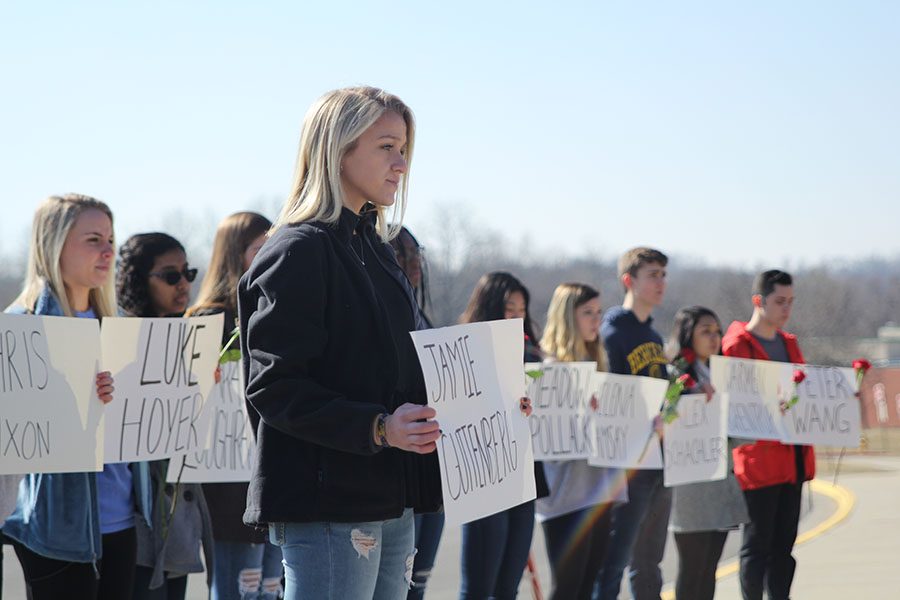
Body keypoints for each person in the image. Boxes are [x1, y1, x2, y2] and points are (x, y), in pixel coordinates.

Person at [238, 86, 445, 600]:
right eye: (386, 147)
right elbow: (275, 386)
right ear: (337, 148)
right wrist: (376, 427)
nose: (401, 164)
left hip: (391, 496)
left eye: (404, 151)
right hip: (327, 503)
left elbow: (403, 369)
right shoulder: (298, 250)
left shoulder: (376, 250)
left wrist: (494, 401)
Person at [2, 194, 152, 600]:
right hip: (56, 528)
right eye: (93, 240)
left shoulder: (120, 326)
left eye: (110, 239)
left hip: (121, 520)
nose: (108, 251)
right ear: (54, 245)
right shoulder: (21, 328)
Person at [186, 211, 285, 600]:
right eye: (259, 248)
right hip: (228, 480)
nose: (268, 256)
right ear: (232, 255)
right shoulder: (206, 318)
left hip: (271, 468)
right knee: (236, 585)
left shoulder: (274, 308)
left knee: (272, 585)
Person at [117, 232, 215, 600]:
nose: (184, 284)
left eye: (188, 272)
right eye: (170, 276)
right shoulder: (117, 340)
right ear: (139, 280)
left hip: (179, 523)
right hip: (133, 524)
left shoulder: (194, 341)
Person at [457, 271, 549, 600]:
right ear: (489, 307)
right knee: (479, 588)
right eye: (510, 308)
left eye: (522, 310)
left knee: (508, 585)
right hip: (486, 478)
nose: (517, 317)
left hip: (523, 478)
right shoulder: (466, 351)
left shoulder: (535, 355)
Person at [722, 270, 813, 600]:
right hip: (757, 464)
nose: (786, 309)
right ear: (758, 301)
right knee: (756, 545)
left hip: (792, 461)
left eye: (790, 301)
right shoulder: (736, 346)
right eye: (779, 301)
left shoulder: (789, 344)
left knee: (784, 548)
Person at [536, 283, 627, 600]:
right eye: (587, 313)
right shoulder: (548, 372)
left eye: (599, 313)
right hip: (564, 498)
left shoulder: (599, 365)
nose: (595, 320)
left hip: (599, 493)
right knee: (567, 589)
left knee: (589, 587)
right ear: (566, 317)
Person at [595, 247, 672, 600]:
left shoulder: (655, 338)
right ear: (629, 280)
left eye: (663, 274)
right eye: (653, 274)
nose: (661, 282)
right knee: (613, 561)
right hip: (628, 466)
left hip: (660, 462)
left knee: (650, 561)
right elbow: (611, 401)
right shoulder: (612, 335)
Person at [667, 306, 749, 600]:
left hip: (721, 484)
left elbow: (739, 434)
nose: (714, 337)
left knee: (709, 569)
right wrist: (691, 398)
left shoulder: (726, 373)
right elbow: (666, 421)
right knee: (692, 568)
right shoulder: (673, 374)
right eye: (706, 331)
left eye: (717, 331)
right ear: (688, 335)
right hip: (690, 488)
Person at [390, 226, 443, 600]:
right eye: (401, 253)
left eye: (415, 251)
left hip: (430, 471)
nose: (413, 262)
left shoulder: (418, 314)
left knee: (417, 582)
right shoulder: (386, 319)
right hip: (398, 473)